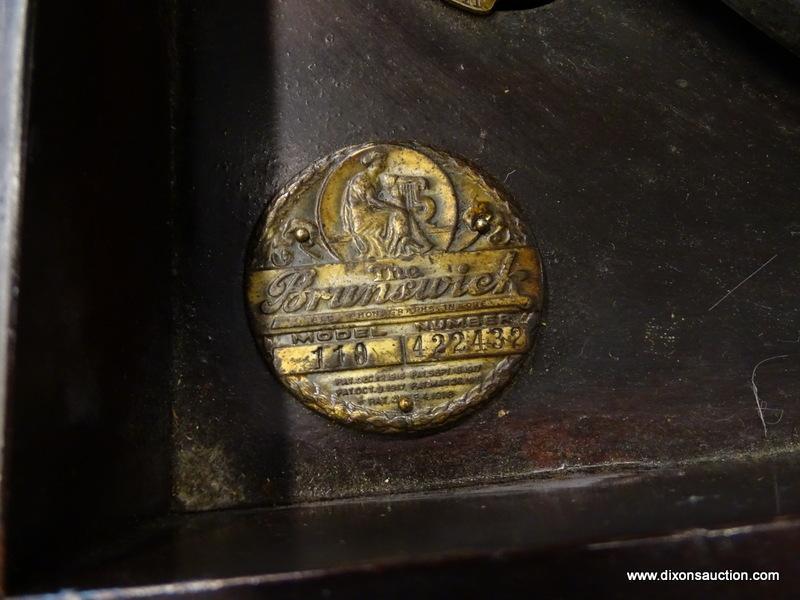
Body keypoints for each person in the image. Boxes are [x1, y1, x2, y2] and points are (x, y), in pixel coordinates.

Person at [341, 151, 431, 259]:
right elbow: (372, 201)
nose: (384, 164)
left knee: (401, 210)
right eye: (381, 161)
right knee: (398, 213)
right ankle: (396, 248)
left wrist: (417, 179)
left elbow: (394, 179)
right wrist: (395, 208)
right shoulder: (362, 179)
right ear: (373, 164)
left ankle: (407, 242)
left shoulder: (376, 178)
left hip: (372, 212)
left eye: (384, 161)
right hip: (363, 219)